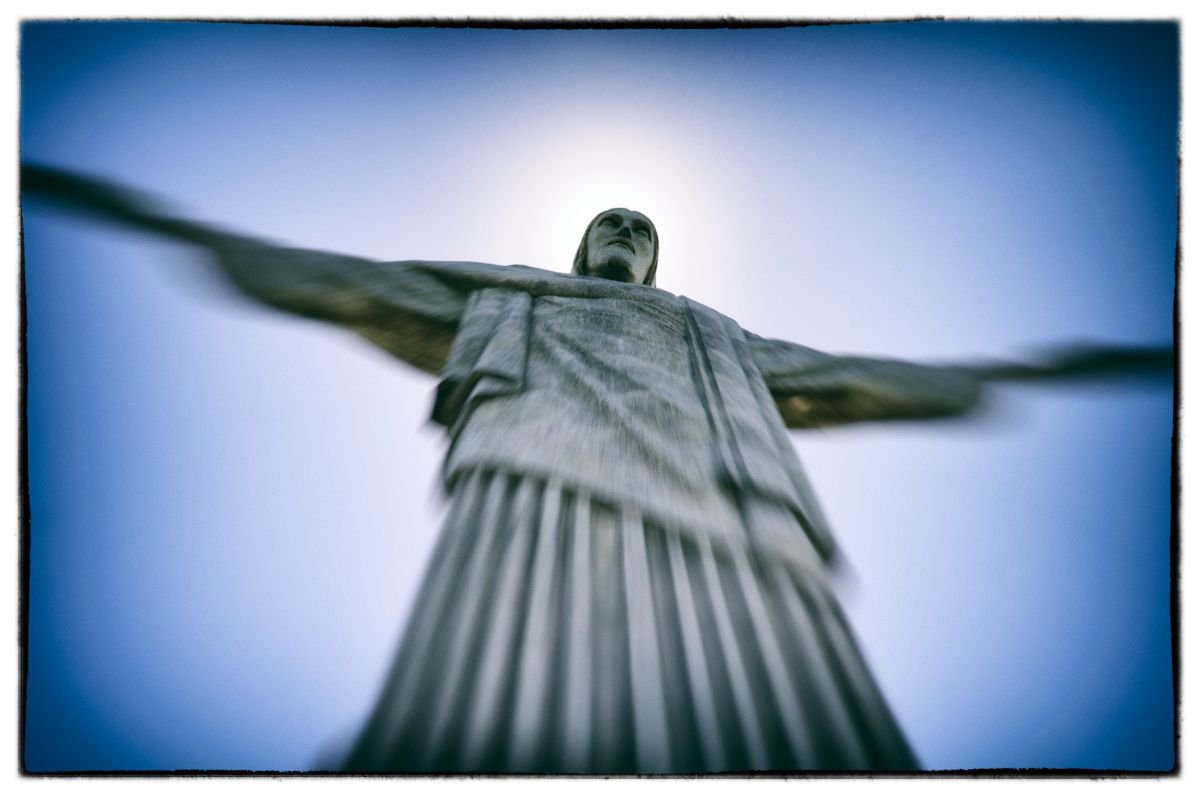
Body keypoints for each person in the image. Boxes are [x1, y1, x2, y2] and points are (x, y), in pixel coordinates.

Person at [20, 163, 1172, 774]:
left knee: (788, 723)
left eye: (639, 228)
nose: (622, 232)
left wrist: (1025, 370)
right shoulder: (509, 292)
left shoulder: (717, 335)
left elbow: (858, 375)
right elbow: (352, 281)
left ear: (655, 259)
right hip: (535, 488)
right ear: (583, 245)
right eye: (609, 222)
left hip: (738, 522)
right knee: (498, 705)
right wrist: (174, 228)